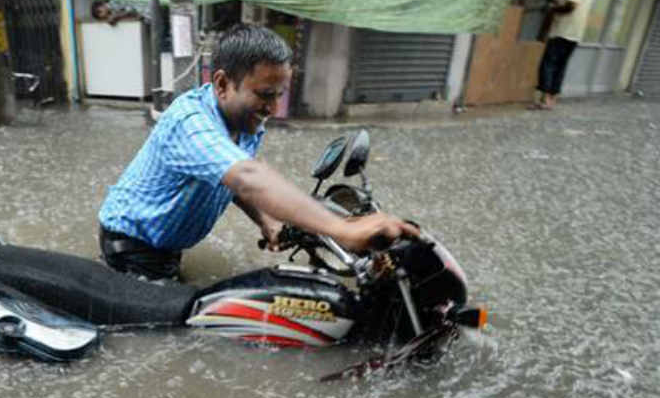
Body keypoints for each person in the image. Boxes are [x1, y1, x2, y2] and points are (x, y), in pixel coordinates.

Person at [97, 23, 419, 281]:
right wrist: (343, 229)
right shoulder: (190, 123)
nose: (272, 108)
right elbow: (248, 177)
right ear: (222, 84)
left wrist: (266, 220)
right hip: (133, 249)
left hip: (165, 245)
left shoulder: (244, 121)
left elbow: (231, 178)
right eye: (265, 95)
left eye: (279, 95)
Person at [531, 0, 595, 110]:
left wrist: (553, 8)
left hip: (564, 31)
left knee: (548, 64)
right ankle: (552, 100)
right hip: (576, 33)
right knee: (560, 65)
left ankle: (544, 99)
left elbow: (571, 6)